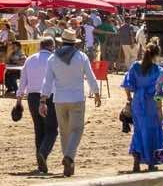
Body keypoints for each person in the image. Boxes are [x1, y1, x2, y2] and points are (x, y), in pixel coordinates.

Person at [40, 28, 102, 178]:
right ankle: (69, 157)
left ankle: (69, 161)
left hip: (59, 99)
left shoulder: (53, 58)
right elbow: (90, 76)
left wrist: (43, 99)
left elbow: (47, 81)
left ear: (61, 42)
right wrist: (96, 92)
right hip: (77, 98)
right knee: (77, 130)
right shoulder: (81, 57)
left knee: (64, 132)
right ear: (74, 43)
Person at [18, 36, 59, 174]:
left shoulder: (30, 59)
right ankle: (43, 153)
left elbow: (23, 80)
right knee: (52, 129)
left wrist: (18, 99)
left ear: (40, 46)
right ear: (52, 46)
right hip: (49, 96)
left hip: (32, 97)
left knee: (39, 128)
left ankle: (40, 160)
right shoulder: (54, 59)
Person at [121, 43, 163, 174]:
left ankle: (136, 162)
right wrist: (160, 108)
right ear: (156, 55)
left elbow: (127, 84)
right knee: (153, 131)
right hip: (151, 103)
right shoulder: (157, 69)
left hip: (138, 101)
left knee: (138, 131)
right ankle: (151, 163)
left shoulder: (135, 66)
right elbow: (159, 91)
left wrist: (129, 98)